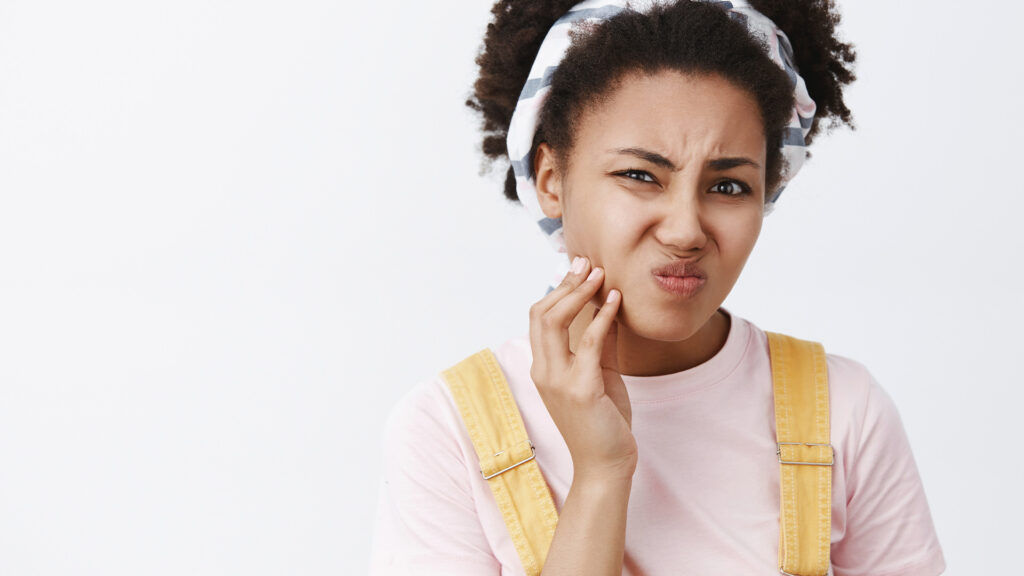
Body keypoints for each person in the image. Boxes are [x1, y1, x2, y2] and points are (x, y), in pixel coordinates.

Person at [368, 0, 946, 574]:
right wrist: (600, 474)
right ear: (551, 181)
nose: (686, 230)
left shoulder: (845, 410)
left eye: (728, 187)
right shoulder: (447, 431)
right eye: (640, 176)